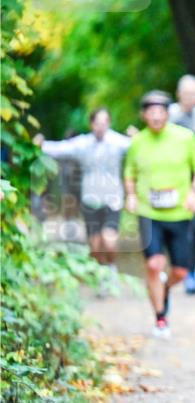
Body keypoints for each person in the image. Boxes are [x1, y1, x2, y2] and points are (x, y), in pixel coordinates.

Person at [124, 90, 195, 338]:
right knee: (154, 264)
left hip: (180, 212)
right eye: (151, 112)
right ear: (143, 115)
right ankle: (160, 317)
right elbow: (129, 173)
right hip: (148, 212)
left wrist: (194, 192)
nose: (156, 116)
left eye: (161, 112)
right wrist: (131, 195)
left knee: (181, 271)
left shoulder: (185, 138)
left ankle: (165, 287)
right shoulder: (138, 142)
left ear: (168, 114)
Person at [34, 107, 131, 282]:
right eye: (97, 123)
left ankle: (111, 268)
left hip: (113, 199)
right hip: (90, 199)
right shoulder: (83, 143)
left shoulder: (118, 142)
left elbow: (139, 146)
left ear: (109, 123)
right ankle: (101, 273)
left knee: (109, 240)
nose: (100, 127)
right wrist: (42, 144)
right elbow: (61, 148)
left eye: (104, 123)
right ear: (91, 124)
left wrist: (137, 136)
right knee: (95, 245)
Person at [168, 74, 195, 294]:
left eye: (193, 93)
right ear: (178, 94)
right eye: (185, 93)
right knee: (180, 228)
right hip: (174, 179)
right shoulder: (168, 115)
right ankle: (184, 269)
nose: (189, 97)